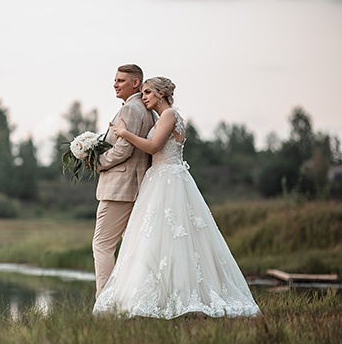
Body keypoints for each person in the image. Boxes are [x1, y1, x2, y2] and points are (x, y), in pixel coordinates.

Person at [93, 77, 261, 319]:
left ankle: (176, 295)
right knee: (160, 239)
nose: (145, 97)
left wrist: (124, 133)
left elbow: (152, 147)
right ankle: (160, 292)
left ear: (161, 93)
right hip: (163, 177)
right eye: (142, 93)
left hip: (167, 180)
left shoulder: (170, 114)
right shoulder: (164, 117)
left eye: (148, 92)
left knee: (169, 237)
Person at [92, 64, 155, 299]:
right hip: (135, 186)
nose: (115, 84)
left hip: (120, 188)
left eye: (120, 80)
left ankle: (105, 300)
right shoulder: (146, 109)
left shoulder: (131, 109)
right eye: (115, 80)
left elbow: (123, 150)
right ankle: (135, 298)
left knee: (102, 245)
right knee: (132, 248)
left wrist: (97, 162)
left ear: (136, 83)